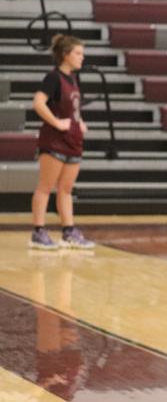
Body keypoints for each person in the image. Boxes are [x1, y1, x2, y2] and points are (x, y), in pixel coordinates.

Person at [30, 34, 95, 250]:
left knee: (66, 189)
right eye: (78, 53)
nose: (82, 57)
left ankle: (68, 231)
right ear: (65, 55)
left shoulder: (73, 79)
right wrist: (57, 123)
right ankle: (38, 231)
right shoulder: (53, 78)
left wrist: (80, 123)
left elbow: (72, 108)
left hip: (73, 141)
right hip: (54, 141)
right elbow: (38, 103)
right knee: (45, 187)